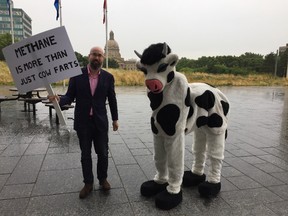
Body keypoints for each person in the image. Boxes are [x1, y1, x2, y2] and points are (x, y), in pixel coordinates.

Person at [48, 46, 119, 199]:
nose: (97, 58)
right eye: (94, 54)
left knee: (103, 154)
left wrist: (115, 119)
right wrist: (59, 99)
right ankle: (88, 183)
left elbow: (112, 99)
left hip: (100, 122)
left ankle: (103, 179)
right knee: (85, 154)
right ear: (89, 56)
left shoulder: (108, 77)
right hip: (83, 122)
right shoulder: (77, 75)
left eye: (100, 55)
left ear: (103, 58)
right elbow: (70, 96)